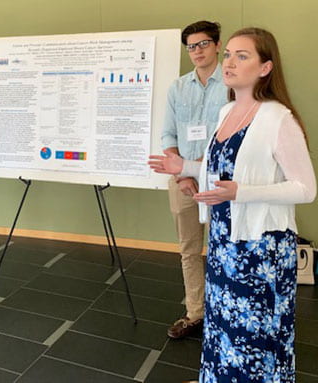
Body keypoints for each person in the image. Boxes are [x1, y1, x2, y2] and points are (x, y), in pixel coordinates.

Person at [149, 27, 316, 382]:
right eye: (230, 55)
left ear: (265, 67)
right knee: (224, 328)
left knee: (256, 337)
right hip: (226, 242)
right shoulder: (227, 112)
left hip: (261, 249)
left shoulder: (277, 118)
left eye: (243, 56)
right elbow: (220, 170)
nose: (231, 63)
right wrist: (185, 167)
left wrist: (241, 192)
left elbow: (305, 188)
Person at [161, 20, 228, 339]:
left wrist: (196, 168)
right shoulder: (177, 87)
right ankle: (195, 313)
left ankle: (225, 311)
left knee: (223, 248)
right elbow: (168, 134)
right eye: (191, 46)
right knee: (189, 249)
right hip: (182, 181)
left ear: (217, 45)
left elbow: (233, 137)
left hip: (221, 180)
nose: (197, 51)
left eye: (203, 44)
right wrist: (182, 172)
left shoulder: (232, 83)